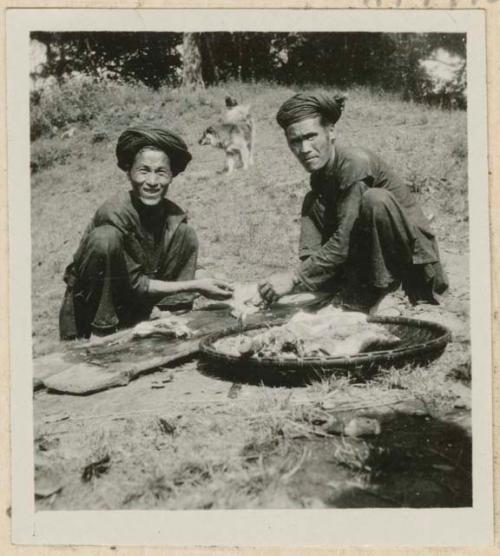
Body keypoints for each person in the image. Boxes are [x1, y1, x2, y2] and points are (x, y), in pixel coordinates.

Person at [258, 92, 448, 313]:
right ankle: (336, 287)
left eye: (311, 136)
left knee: (375, 199)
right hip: (368, 262)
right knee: (313, 201)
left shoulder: (355, 163)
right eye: (295, 141)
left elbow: (344, 238)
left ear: (331, 132)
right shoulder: (321, 173)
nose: (304, 149)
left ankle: (395, 293)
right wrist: (301, 280)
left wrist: (293, 277)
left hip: (414, 268)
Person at [59, 126, 233, 340]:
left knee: (185, 234)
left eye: (161, 172)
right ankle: (100, 337)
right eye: (144, 171)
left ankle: (173, 317)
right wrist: (197, 285)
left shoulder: (173, 216)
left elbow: (182, 264)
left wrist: (211, 280)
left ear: (171, 176)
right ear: (129, 172)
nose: (152, 182)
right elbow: (136, 284)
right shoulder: (113, 213)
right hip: (88, 316)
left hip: (135, 310)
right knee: (105, 239)